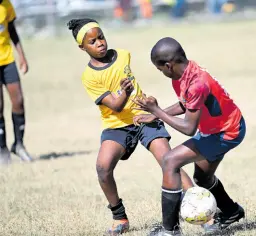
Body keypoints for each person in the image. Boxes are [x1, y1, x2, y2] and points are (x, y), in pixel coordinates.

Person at [66, 19, 194, 235]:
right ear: (82, 47)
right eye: (92, 41)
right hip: (116, 125)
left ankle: (197, 204)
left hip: (144, 117)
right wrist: (124, 92)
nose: (99, 43)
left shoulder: (123, 55)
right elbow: (115, 106)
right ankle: (119, 216)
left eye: (101, 37)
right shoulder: (88, 77)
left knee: (169, 160)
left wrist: (148, 110)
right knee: (103, 167)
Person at [133, 37, 246, 236]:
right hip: (217, 129)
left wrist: (157, 111)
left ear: (169, 65)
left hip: (227, 132)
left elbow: (188, 128)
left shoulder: (197, 83)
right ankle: (231, 211)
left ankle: (170, 231)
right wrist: (153, 114)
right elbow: (187, 104)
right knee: (202, 178)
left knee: (170, 161)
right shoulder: (184, 73)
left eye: (160, 70)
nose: (162, 73)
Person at [0, 0, 33, 165]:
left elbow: (12, 31)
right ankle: (2, 149)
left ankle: (18, 144)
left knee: (18, 101)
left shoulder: (6, 5)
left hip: (7, 60)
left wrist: (22, 56)